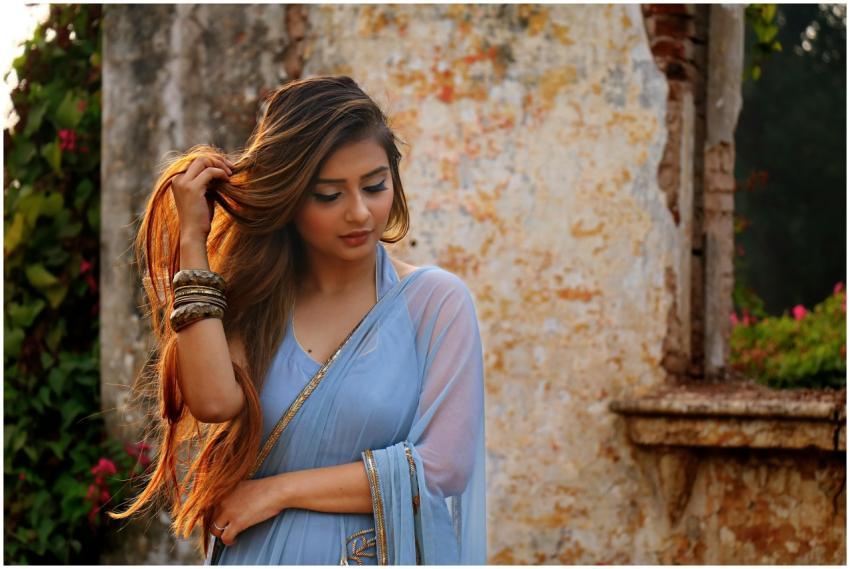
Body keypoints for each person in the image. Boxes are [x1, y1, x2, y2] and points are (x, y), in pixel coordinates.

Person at [108, 75, 487, 565]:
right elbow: (214, 402)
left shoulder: (436, 304)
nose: (359, 213)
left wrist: (277, 492)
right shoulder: (262, 302)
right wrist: (192, 244)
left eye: (375, 186)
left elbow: (442, 468)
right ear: (289, 197)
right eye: (329, 195)